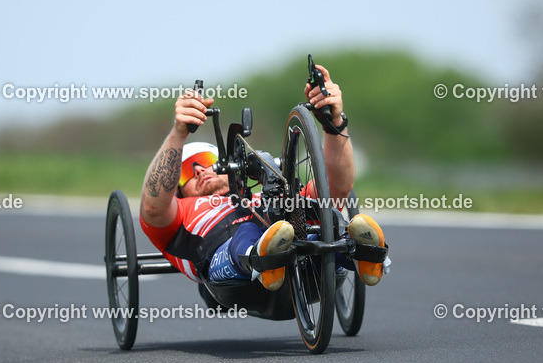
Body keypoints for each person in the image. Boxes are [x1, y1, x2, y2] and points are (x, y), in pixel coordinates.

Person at [139, 64, 387, 292]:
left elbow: (336, 186)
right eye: (185, 173)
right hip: (228, 259)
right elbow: (152, 206)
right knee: (246, 231)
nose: (200, 171)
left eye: (205, 161)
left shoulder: (265, 193)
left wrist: (333, 121)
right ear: (176, 189)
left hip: (296, 243)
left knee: (327, 218)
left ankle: (361, 253)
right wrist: (179, 131)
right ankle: (262, 256)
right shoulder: (180, 214)